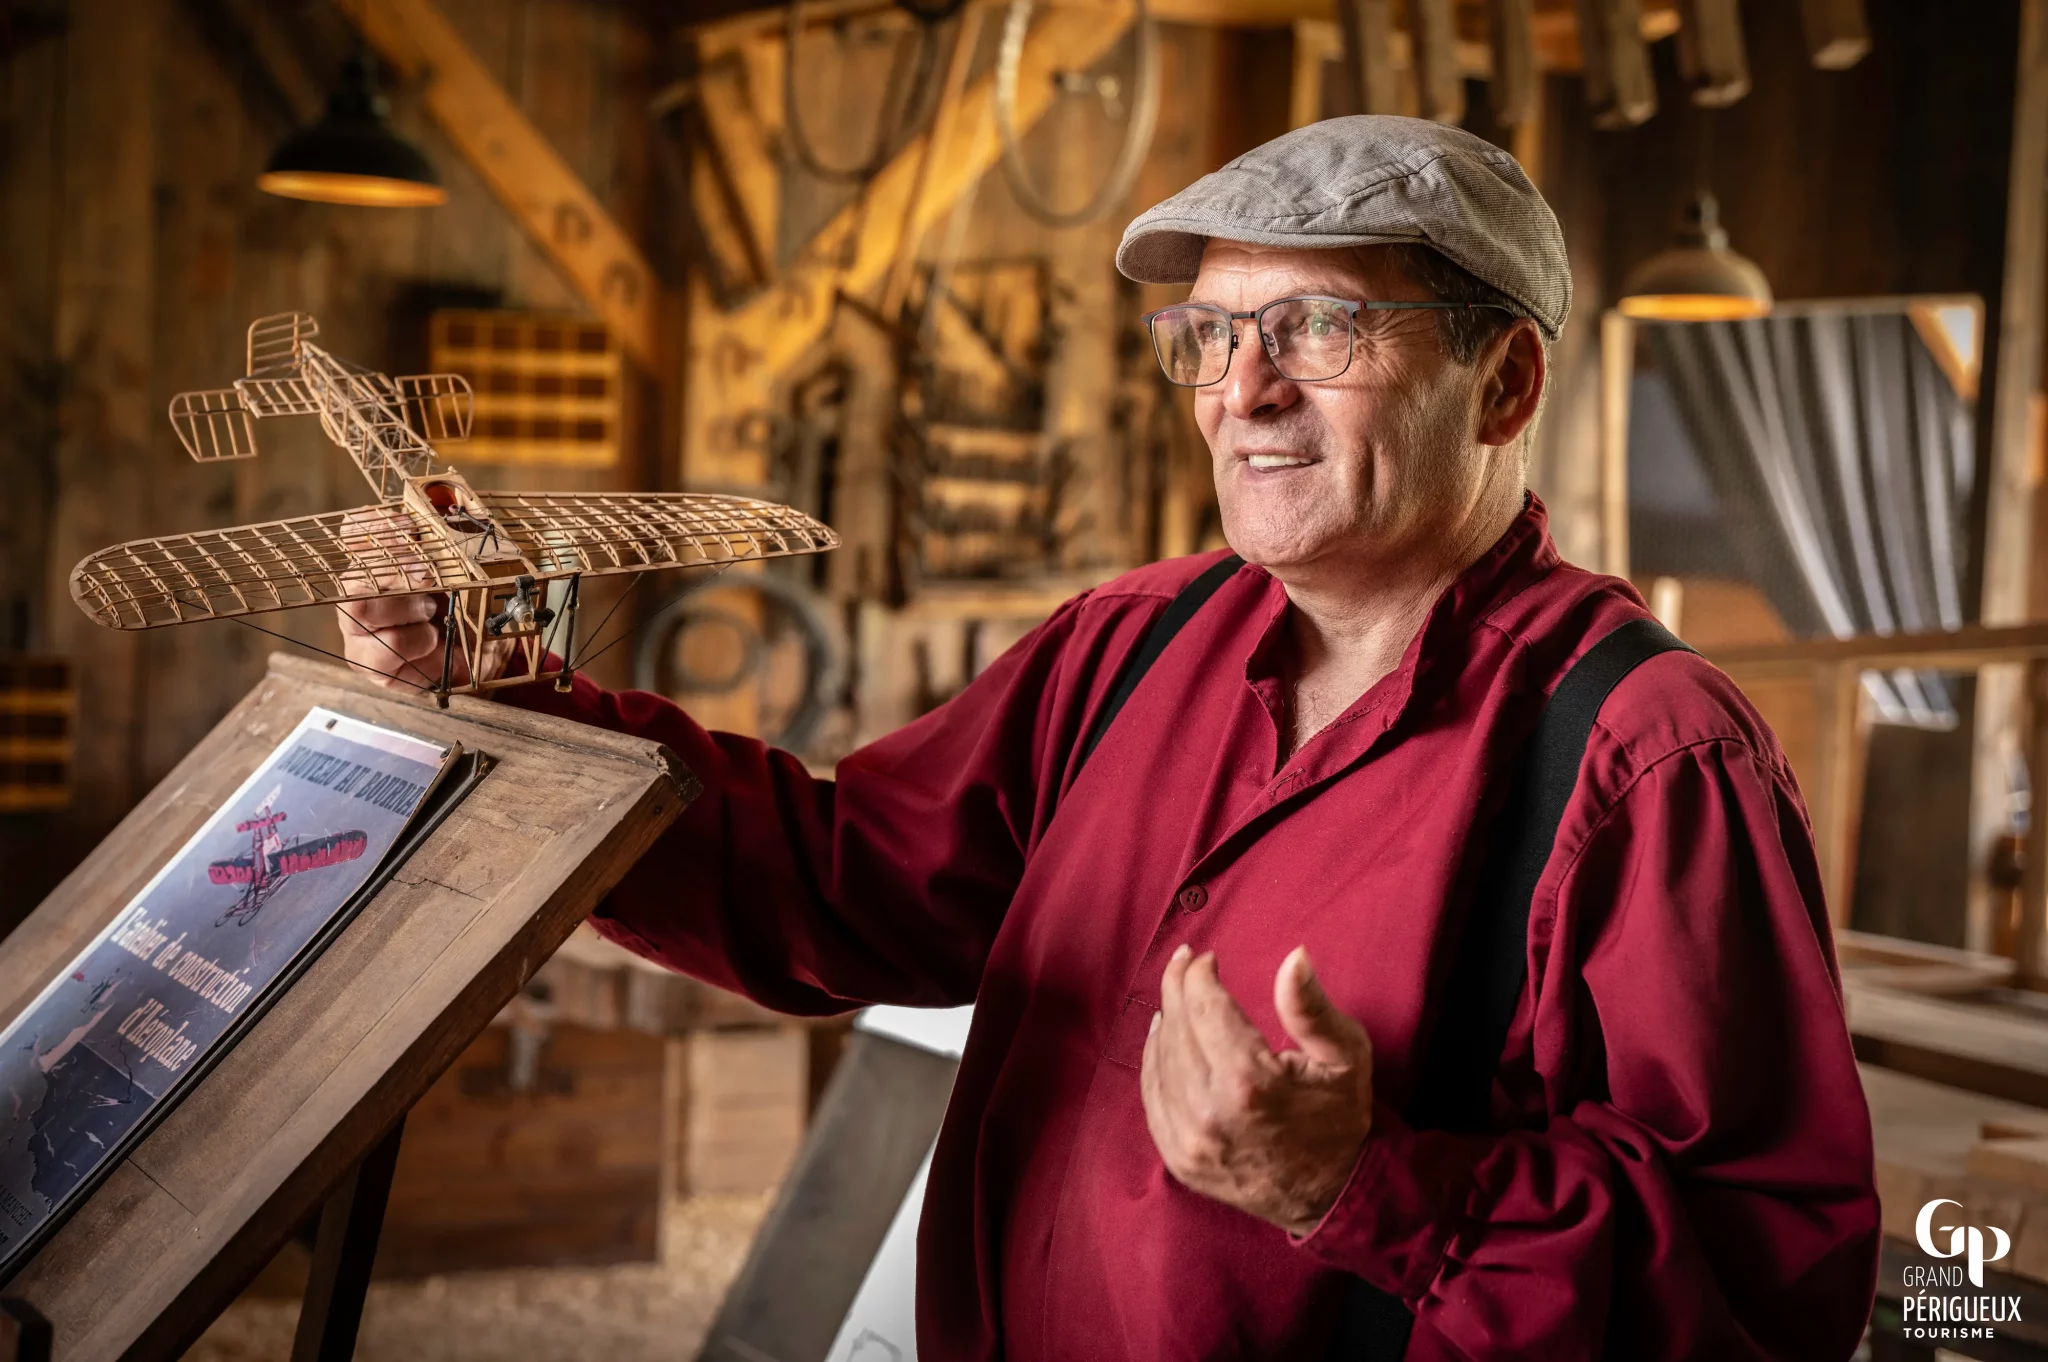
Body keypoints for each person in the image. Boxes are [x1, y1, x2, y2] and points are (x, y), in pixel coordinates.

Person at [342, 117, 1878, 1359]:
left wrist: (1367, 1189)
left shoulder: (1650, 758)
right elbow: (834, 877)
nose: (1242, 392)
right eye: (1206, 337)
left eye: (1316, 327)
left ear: (1507, 381)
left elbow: (1760, 1284)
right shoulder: (1132, 644)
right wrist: (503, 690)